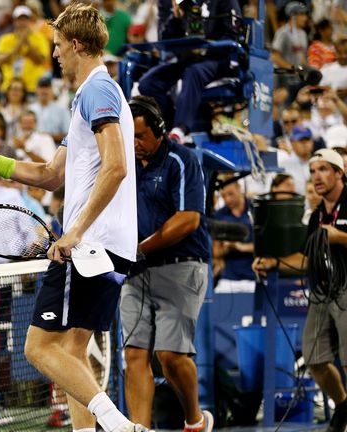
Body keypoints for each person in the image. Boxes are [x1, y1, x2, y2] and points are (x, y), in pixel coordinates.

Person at [0, 4, 143, 431]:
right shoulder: (91, 97)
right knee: (72, 354)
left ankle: (119, 426)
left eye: (59, 46)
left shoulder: (99, 91)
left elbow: (116, 166)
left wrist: (75, 231)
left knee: (39, 349)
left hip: (89, 245)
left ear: (76, 45)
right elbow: (49, 175)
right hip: (107, 246)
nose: (56, 54)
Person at [121, 96, 214, 432]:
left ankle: (196, 420)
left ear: (159, 131)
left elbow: (188, 219)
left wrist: (139, 248)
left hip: (181, 267)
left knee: (170, 357)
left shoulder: (182, 159)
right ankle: (140, 429)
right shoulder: (123, 166)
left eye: (140, 136)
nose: (133, 144)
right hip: (136, 272)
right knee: (133, 356)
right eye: (127, 136)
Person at [254, 148, 347, 432]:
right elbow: (305, 258)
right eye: (313, 171)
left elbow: (336, 239)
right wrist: (272, 263)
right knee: (315, 358)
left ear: (339, 173)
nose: (316, 177)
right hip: (322, 289)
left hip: (346, 289)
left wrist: (340, 237)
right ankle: (343, 405)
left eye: (323, 170)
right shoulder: (316, 215)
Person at [137, 0, 242, 143]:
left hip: (219, 59)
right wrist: (176, 18)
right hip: (189, 58)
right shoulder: (182, 2)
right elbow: (165, 39)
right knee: (148, 83)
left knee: (193, 72)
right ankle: (166, 126)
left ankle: (180, 130)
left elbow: (233, 34)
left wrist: (206, 48)